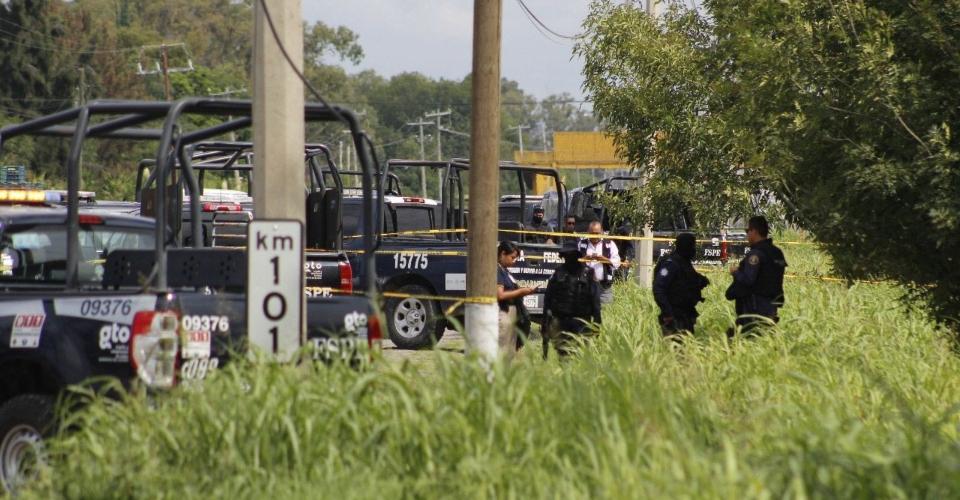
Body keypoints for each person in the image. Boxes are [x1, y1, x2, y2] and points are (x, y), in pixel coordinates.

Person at [725, 215, 787, 335]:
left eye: (748, 231)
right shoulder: (777, 252)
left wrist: (735, 272)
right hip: (772, 305)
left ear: (754, 231)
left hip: (754, 307)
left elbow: (748, 280)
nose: (747, 234)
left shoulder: (756, 254)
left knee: (740, 339)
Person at [542, 241, 602, 358]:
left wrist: (597, 323)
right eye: (566, 256)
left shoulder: (588, 273)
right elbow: (548, 300)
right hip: (562, 321)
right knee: (564, 357)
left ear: (577, 256)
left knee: (580, 356)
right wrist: (545, 324)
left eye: (571, 255)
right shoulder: (558, 274)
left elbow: (595, 300)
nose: (569, 259)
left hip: (582, 323)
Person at [653, 233, 710, 337]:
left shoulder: (684, 262)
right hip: (674, 316)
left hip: (685, 315)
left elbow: (689, 279)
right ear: (684, 246)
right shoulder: (671, 264)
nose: (693, 250)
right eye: (691, 246)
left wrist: (701, 281)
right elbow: (659, 288)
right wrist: (667, 312)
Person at [496, 241, 537, 356]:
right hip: (503, 314)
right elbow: (500, 295)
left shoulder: (505, 271)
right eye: (512, 257)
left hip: (511, 314)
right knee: (502, 353)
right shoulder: (497, 271)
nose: (514, 261)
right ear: (503, 254)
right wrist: (521, 291)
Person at [578, 220, 621, 305]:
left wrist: (604, 259)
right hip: (586, 286)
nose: (595, 236)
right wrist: (584, 259)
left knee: (606, 314)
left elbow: (617, 263)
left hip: (604, 288)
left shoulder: (609, 244)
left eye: (597, 233)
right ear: (588, 232)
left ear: (601, 232)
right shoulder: (581, 244)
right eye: (592, 233)